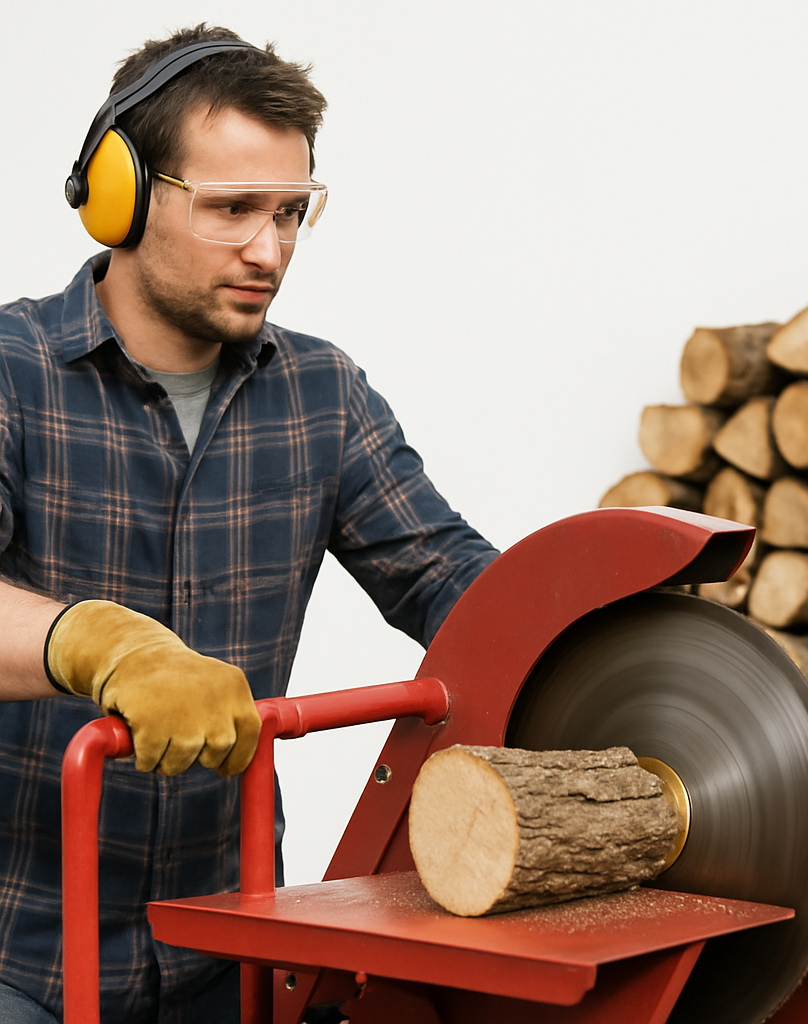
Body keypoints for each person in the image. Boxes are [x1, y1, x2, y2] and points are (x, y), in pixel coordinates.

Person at [0, 23, 498, 1024]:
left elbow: (453, 582)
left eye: (290, 212)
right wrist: (98, 642)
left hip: (231, 949)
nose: (268, 251)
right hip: (24, 952)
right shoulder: (11, 372)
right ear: (121, 196)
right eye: (232, 210)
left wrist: (613, 631)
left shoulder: (324, 393)